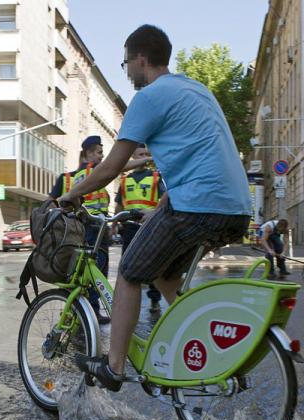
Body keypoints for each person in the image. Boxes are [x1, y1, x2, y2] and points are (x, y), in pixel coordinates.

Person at [58, 25, 252, 391]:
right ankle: (205, 345)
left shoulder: (148, 98)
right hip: (236, 207)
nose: (127, 70)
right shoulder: (196, 89)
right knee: (163, 273)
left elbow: (111, 167)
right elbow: (198, 159)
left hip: (197, 206)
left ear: (140, 58)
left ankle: (113, 367)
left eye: (126, 62)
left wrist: (72, 194)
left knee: (130, 271)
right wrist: (159, 207)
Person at [48, 135, 113, 323]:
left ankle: (72, 310)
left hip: (75, 229)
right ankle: (90, 311)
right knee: (96, 271)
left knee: (74, 272)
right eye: (99, 152)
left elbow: (51, 203)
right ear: (88, 154)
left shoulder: (66, 178)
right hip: (95, 228)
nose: (102, 156)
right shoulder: (99, 173)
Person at [113, 144, 166, 311]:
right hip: (129, 227)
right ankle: (125, 301)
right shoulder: (125, 180)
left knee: (153, 263)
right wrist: (113, 225)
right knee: (126, 265)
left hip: (149, 225)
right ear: (134, 157)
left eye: (146, 154)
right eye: (140, 154)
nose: (144, 157)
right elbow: (119, 205)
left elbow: (164, 200)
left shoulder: (156, 177)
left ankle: (154, 300)